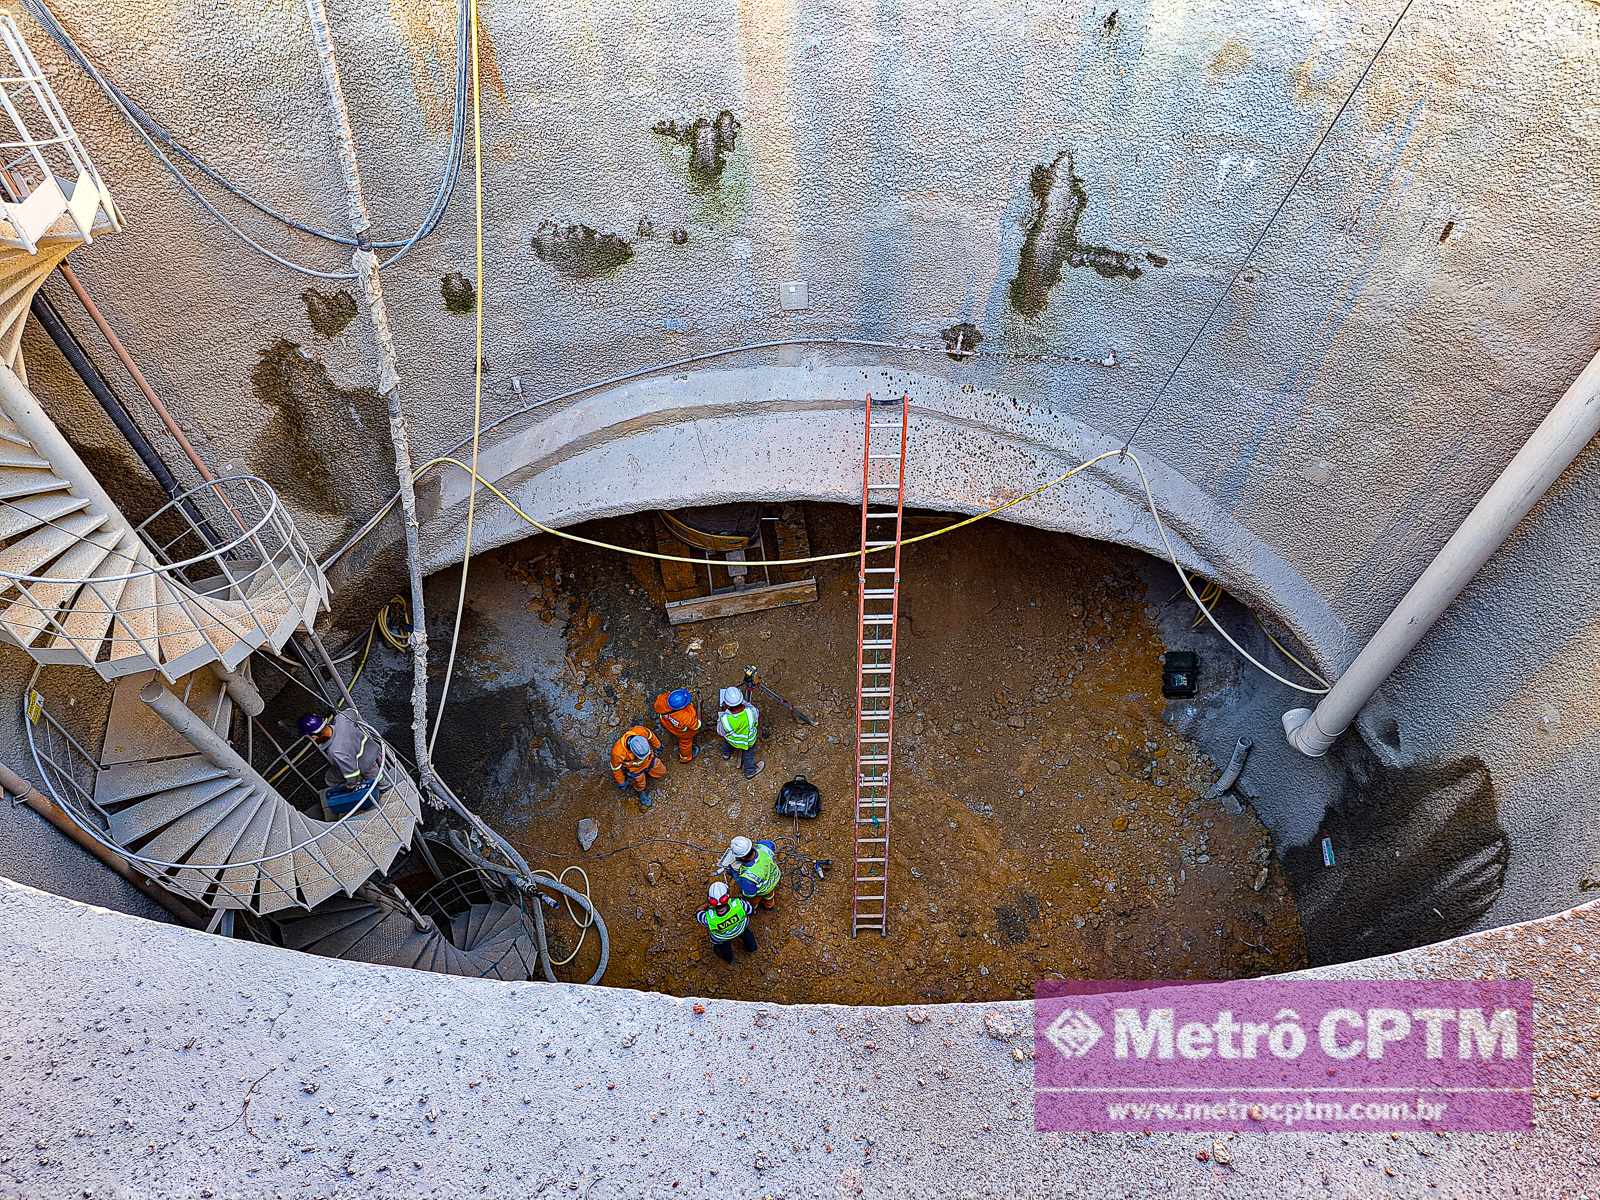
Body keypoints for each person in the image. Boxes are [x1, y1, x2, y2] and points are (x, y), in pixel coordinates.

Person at [298, 710, 382, 816]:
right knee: (333, 776)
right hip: (371, 747)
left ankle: (382, 788)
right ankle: (381, 782)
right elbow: (352, 712)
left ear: (314, 737)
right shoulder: (341, 720)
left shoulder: (336, 752)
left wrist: (350, 786)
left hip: (365, 763)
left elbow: (352, 773)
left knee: (332, 779)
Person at [696, 881, 757, 964]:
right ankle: (752, 948)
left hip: (722, 938)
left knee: (724, 948)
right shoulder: (740, 904)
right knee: (747, 935)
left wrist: (705, 906)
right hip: (741, 928)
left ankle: (729, 959)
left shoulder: (708, 918)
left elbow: (698, 914)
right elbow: (751, 910)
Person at [610, 725, 666, 807]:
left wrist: (658, 745)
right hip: (635, 770)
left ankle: (649, 772)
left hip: (650, 760)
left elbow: (651, 736)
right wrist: (621, 782)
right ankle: (641, 792)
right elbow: (616, 769)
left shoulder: (640, 731)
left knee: (662, 771)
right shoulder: (618, 753)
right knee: (640, 783)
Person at [716, 686, 764, 779]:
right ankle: (750, 771)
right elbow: (756, 716)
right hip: (747, 742)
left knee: (726, 744)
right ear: (741, 700)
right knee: (748, 756)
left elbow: (720, 731)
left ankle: (726, 755)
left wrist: (722, 715)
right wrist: (744, 703)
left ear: (726, 704)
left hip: (732, 740)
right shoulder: (751, 712)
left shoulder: (725, 719)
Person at [723, 834, 781, 909]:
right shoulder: (764, 847)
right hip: (775, 876)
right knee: (769, 896)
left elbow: (750, 893)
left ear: (743, 857)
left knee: (754, 900)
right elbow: (771, 845)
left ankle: (753, 907)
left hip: (764, 889)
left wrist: (734, 874)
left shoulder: (749, 877)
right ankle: (770, 905)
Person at [652, 687, 701, 763]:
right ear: (681, 708)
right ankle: (685, 758)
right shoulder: (685, 717)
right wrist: (699, 705)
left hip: (666, 723)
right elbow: (697, 726)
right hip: (682, 733)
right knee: (685, 743)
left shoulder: (662, 700)